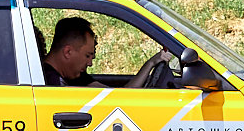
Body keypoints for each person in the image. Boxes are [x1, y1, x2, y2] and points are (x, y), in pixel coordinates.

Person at [41, 15, 173, 88]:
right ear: (68, 52)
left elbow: (121, 95)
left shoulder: (75, 76)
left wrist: (151, 63)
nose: (90, 64)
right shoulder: (49, 83)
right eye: (87, 56)